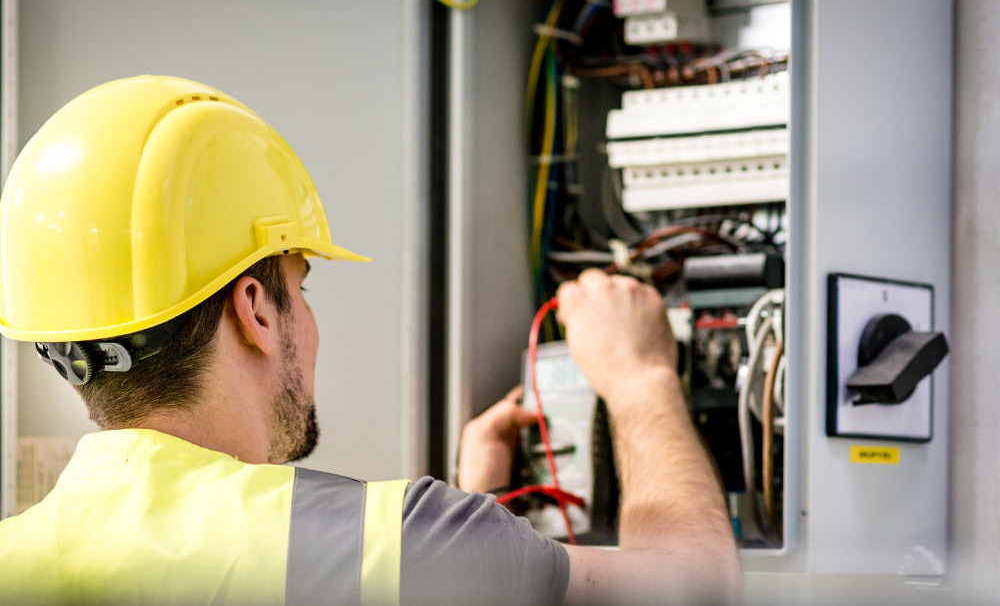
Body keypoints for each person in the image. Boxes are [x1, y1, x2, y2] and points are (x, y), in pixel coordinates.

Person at [0, 76, 739, 604]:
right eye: (303, 287)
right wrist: (640, 376)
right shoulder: (400, 542)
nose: (310, 322)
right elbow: (695, 587)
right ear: (255, 309)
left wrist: (474, 504)